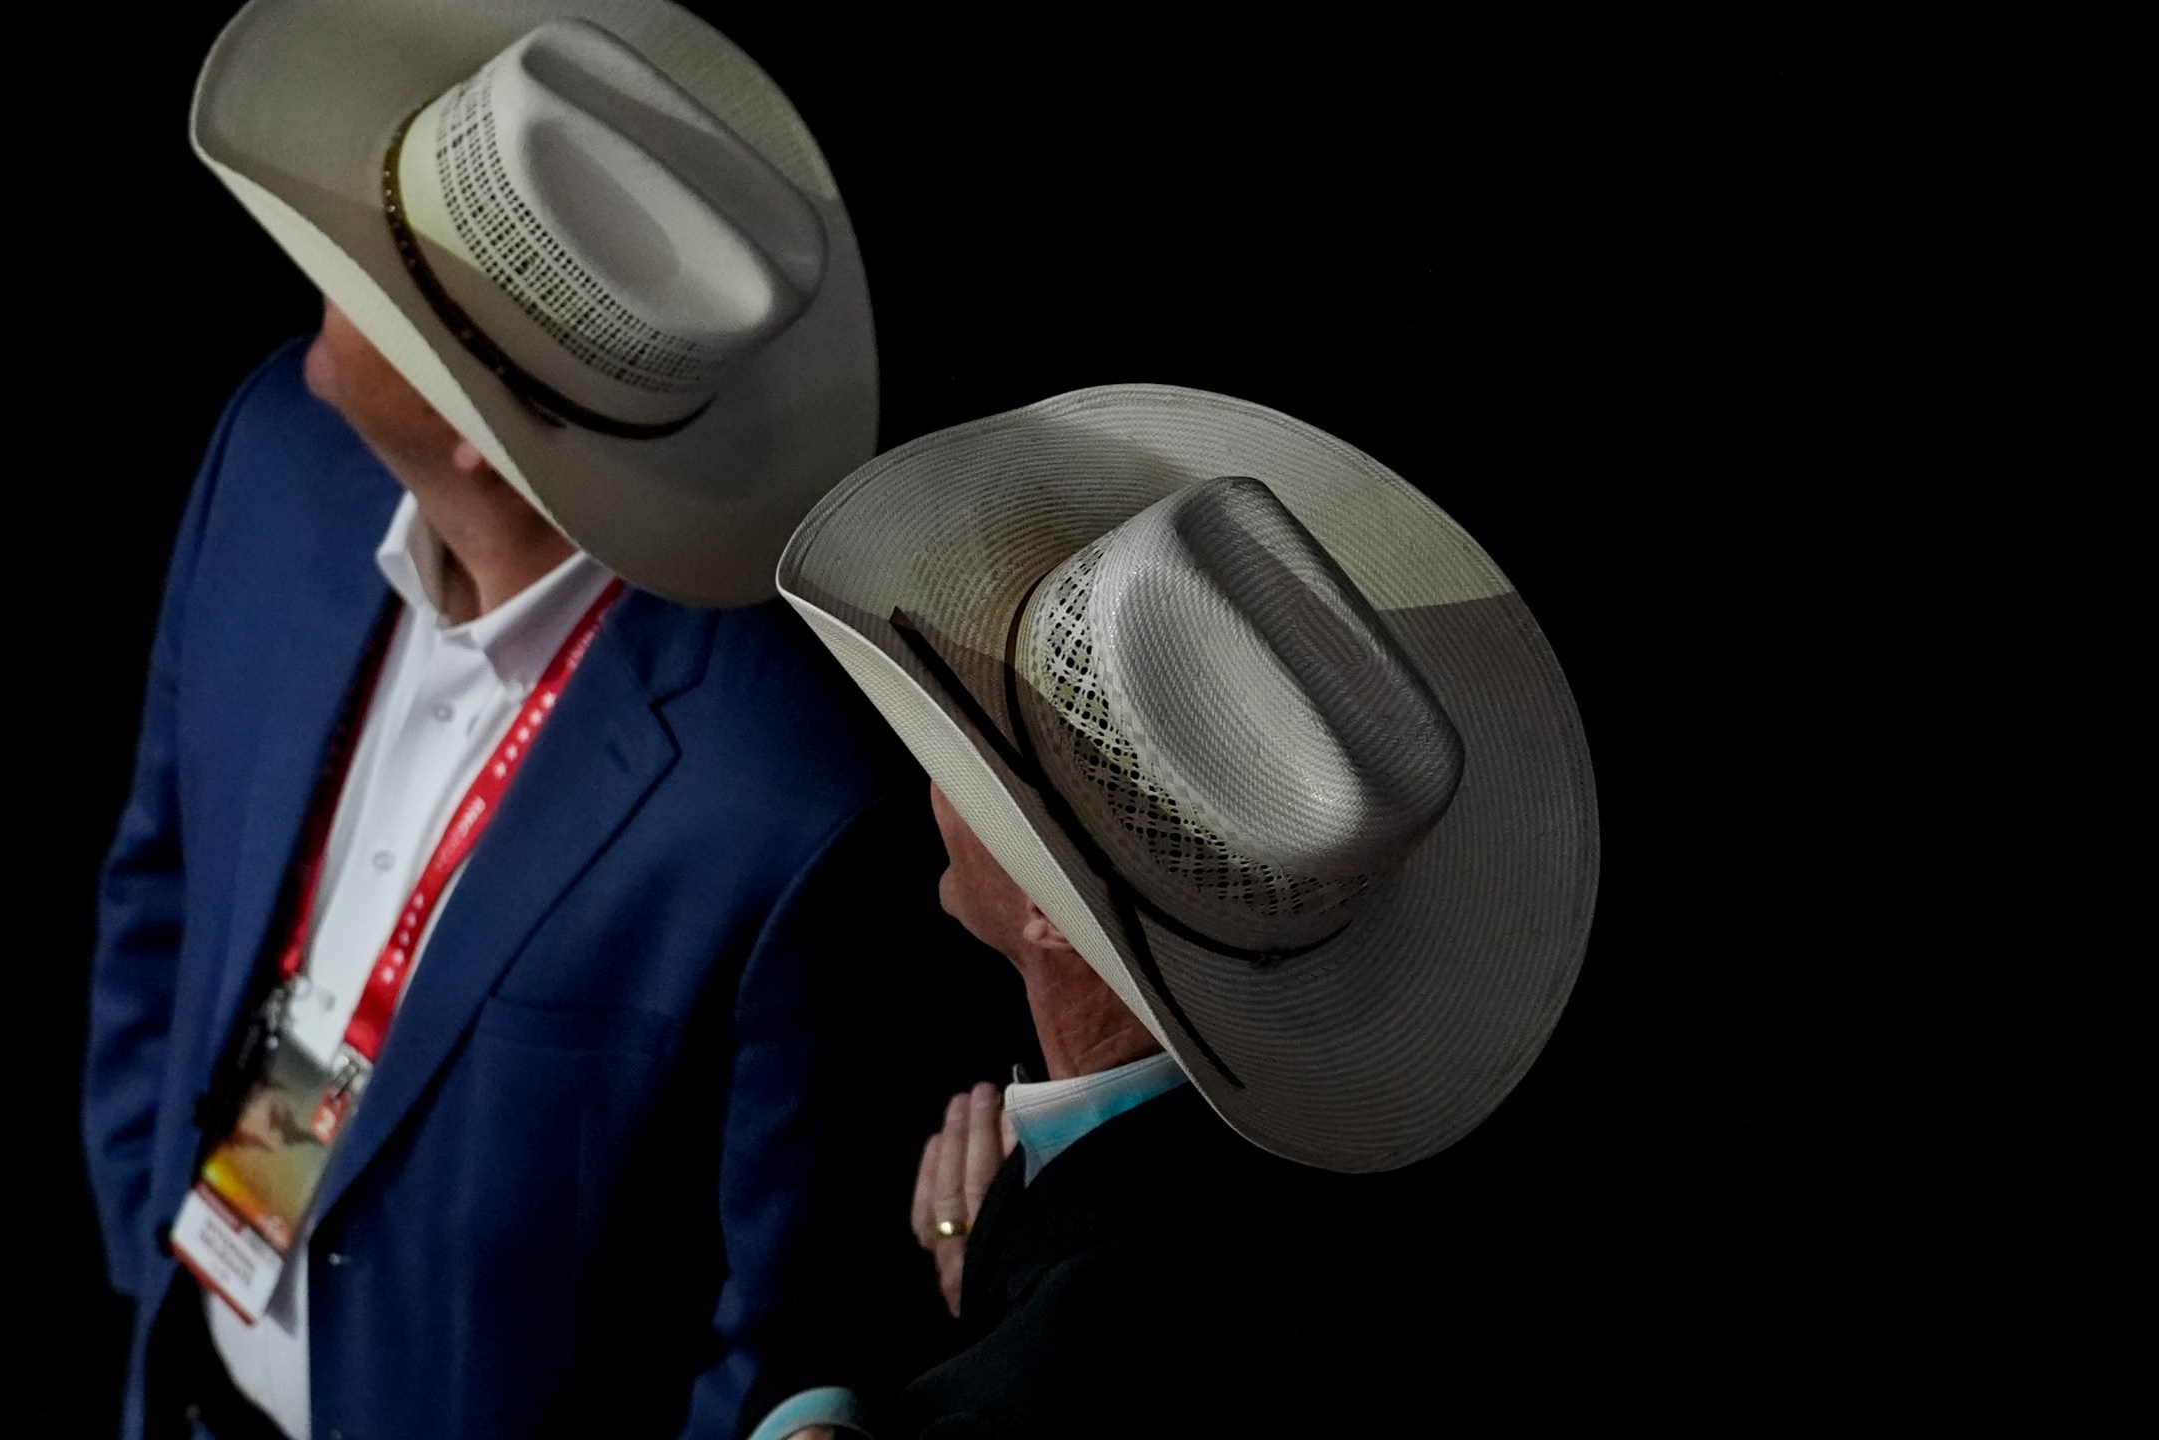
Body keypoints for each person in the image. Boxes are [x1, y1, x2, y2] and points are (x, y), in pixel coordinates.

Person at [83, 6, 999, 1438]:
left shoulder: (785, 809)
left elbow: (763, 1332)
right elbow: (159, 887)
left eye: (382, 264)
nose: (322, 251)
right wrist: (158, 1244)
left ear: (472, 428)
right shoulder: (272, 457)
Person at [771, 384, 1605, 1435]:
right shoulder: (1146, 1196)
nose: (925, 782)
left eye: (960, 754)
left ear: (1043, 910)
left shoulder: (1104, 1333)